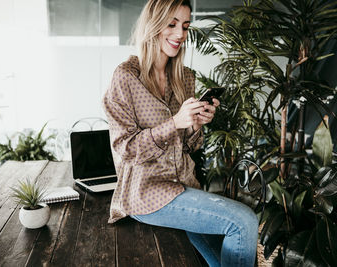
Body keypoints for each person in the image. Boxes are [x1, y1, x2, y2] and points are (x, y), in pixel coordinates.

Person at [102, 0, 259, 266]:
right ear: (153, 24)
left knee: (225, 257)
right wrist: (174, 122)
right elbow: (125, 150)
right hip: (147, 194)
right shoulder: (126, 77)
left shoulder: (185, 77)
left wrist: (196, 124)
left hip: (185, 186)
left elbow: (188, 147)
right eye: (171, 24)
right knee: (244, 221)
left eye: (185, 26)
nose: (179, 34)